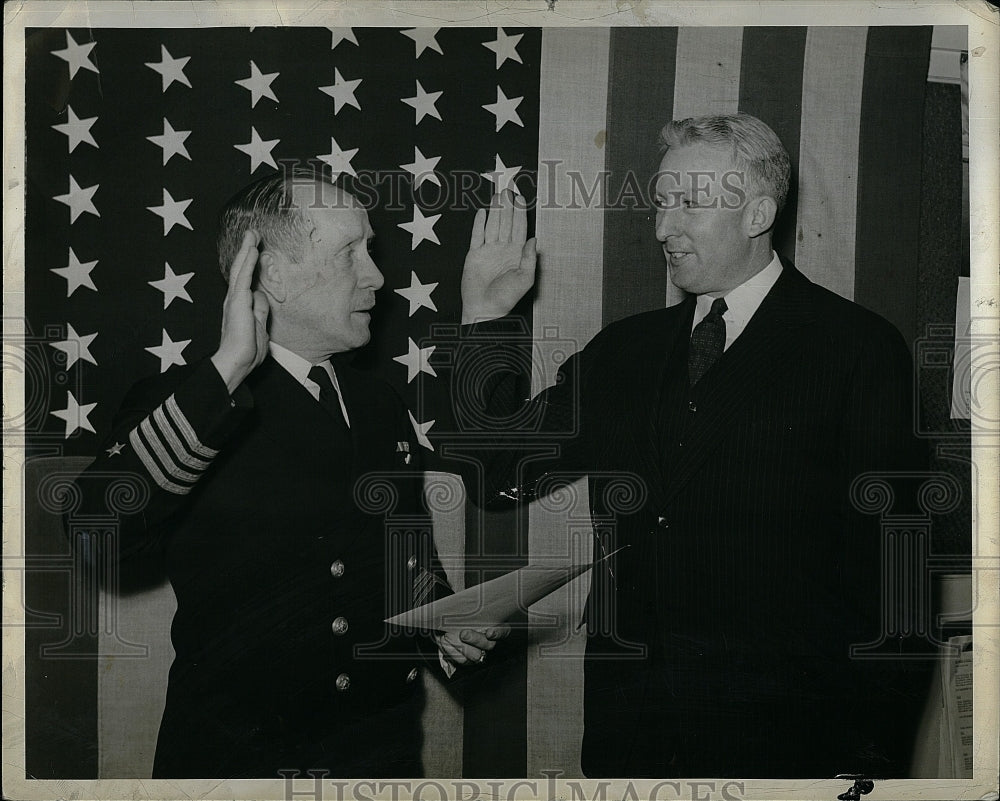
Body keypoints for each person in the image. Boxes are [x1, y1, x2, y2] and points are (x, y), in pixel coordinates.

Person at [446, 113, 932, 778]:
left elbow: (896, 577)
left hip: (792, 743)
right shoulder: (625, 351)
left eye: (690, 203)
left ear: (759, 211)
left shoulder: (856, 349)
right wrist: (486, 315)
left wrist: (870, 758)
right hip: (634, 737)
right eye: (660, 202)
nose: (662, 227)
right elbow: (495, 470)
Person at [72, 169, 507, 779]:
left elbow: (400, 562)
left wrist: (442, 626)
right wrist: (226, 370)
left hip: (379, 753)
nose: (377, 277)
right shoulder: (194, 401)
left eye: (371, 251)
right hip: (245, 763)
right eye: (349, 253)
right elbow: (97, 534)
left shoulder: (379, 404)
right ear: (269, 273)